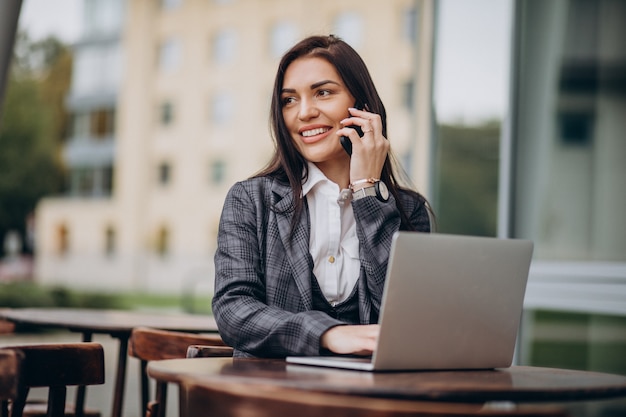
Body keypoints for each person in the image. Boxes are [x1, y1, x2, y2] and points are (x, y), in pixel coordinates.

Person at [212, 35, 431, 358]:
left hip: (371, 398)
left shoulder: (409, 210)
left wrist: (367, 191)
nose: (303, 113)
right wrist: (329, 334)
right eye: (289, 100)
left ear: (362, 105)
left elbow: (406, 318)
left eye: (323, 93)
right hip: (272, 395)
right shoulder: (251, 200)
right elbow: (234, 310)